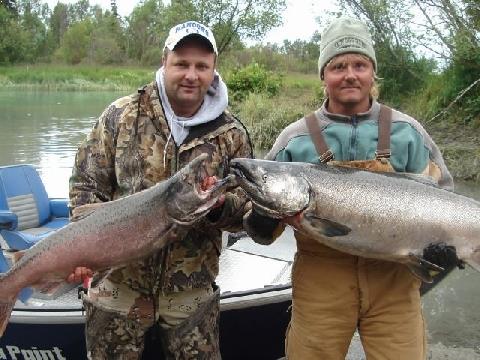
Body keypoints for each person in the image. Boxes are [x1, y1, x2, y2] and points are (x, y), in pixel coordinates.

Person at [243, 17, 462, 360]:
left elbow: (445, 199)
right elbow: (263, 233)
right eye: (338, 65)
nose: (349, 74)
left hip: (395, 286)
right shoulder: (293, 140)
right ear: (323, 76)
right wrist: (259, 219)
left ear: (373, 73)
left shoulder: (409, 132)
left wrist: (445, 247)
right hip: (321, 287)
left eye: (360, 65)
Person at [68, 20, 252, 359]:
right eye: (181, 63)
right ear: (164, 61)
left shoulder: (232, 134)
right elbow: (85, 185)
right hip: (116, 291)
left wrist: (217, 207)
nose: (191, 75)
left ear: (214, 71)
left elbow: (245, 213)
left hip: (191, 297)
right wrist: (83, 249)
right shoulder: (121, 116)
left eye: (202, 66)